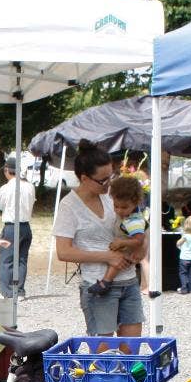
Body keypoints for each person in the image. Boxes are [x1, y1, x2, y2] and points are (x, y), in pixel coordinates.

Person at [53, 139, 143, 338]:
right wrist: (107, 257)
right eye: (103, 180)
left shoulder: (113, 197)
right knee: (104, 350)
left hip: (128, 280)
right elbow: (64, 252)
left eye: (110, 177)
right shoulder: (69, 206)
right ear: (84, 178)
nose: (109, 184)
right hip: (98, 285)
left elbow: (132, 227)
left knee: (132, 348)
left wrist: (136, 248)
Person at [87, 175, 146, 296]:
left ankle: (106, 282)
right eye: (116, 206)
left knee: (116, 260)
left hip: (129, 247)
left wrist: (121, 243)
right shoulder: (127, 214)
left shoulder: (134, 221)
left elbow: (139, 241)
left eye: (124, 207)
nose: (119, 210)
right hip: (124, 241)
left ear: (135, 202)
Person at [0, 156, 35, 300]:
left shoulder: (5, 188)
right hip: (25, 225)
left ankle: (8, 292)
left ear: (7, 171)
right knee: (22, 259)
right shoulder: (30, 186)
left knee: (6, 260)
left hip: (11, 226)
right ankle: (20, 290)